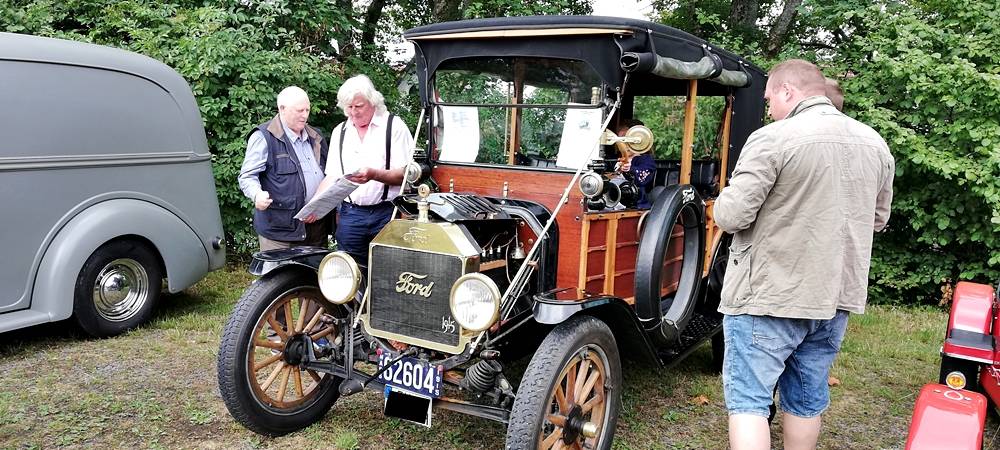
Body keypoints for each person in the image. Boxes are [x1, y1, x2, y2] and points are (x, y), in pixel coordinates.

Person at [713, 59, 894, 450]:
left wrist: (720, 199)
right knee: (806, 400)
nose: (768, 109)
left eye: (768, 99)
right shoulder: (875, 143)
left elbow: (731, 215)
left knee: (748, 402)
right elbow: (877, 220)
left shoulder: (772, 138)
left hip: (766, 295)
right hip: (833, 298)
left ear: (788, 92)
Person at [319, 74, 414, 264]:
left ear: (373, 102)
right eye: (349, 107)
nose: (353, 112)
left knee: (388, 269)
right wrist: (315, 205)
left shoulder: (394, 127)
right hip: (350, 215)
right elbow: (332, 175)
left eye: (358, 106)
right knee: (350, 273)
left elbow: (407, 175)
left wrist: (374, 175)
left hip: (387, 213)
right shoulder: (341, 131)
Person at [238, 86, 330, 251]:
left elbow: (330, 175)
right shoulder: (264, 136)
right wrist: (257, 195)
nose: (305, 115)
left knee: (313, 276)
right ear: (282, 109)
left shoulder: (316, 137)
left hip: (316, 228)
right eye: (299, 110)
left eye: (307, 110)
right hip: (280, 233)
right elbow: (247, 176)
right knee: (279, 277)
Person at [614, 119, 656, 208]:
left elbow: (643, 179)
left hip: (634, 205)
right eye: (620, 140)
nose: (623, 144)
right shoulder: (615, 159)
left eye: (626, 139)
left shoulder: (646, 160)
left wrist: (630, 169)